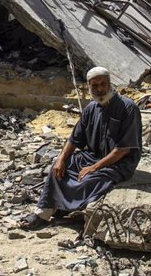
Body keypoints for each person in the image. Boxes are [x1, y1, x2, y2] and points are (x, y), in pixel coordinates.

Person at [20, 66, 142, 229]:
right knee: (58, 169)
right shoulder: (91, 108)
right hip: (92, 156)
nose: (99, 89)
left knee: (90, 180)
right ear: (89, 87)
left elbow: (123, 149)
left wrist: (94, 167)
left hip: (120, 163)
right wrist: (61, 159)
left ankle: (71, 209)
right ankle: (43, 213)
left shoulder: (128, 108)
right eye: (94, 86)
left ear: (109, 84)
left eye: (102, 84)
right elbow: (74, 139)